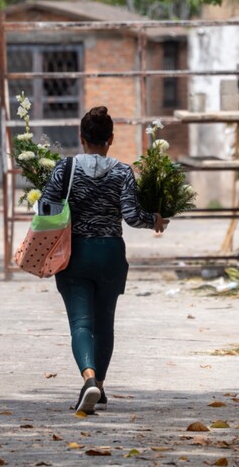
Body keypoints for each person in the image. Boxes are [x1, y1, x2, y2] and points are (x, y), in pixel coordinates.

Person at [40, 106, 168, 414]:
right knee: (105, 323)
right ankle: (100, 386)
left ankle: (89, 379)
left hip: (75, 254)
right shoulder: (123, 171)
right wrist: (156, 220)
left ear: (81, 137)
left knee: (81, 323)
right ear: (110, 139)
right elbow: (132, 216)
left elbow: (46, 207)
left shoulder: (65, 168)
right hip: (110, 253)